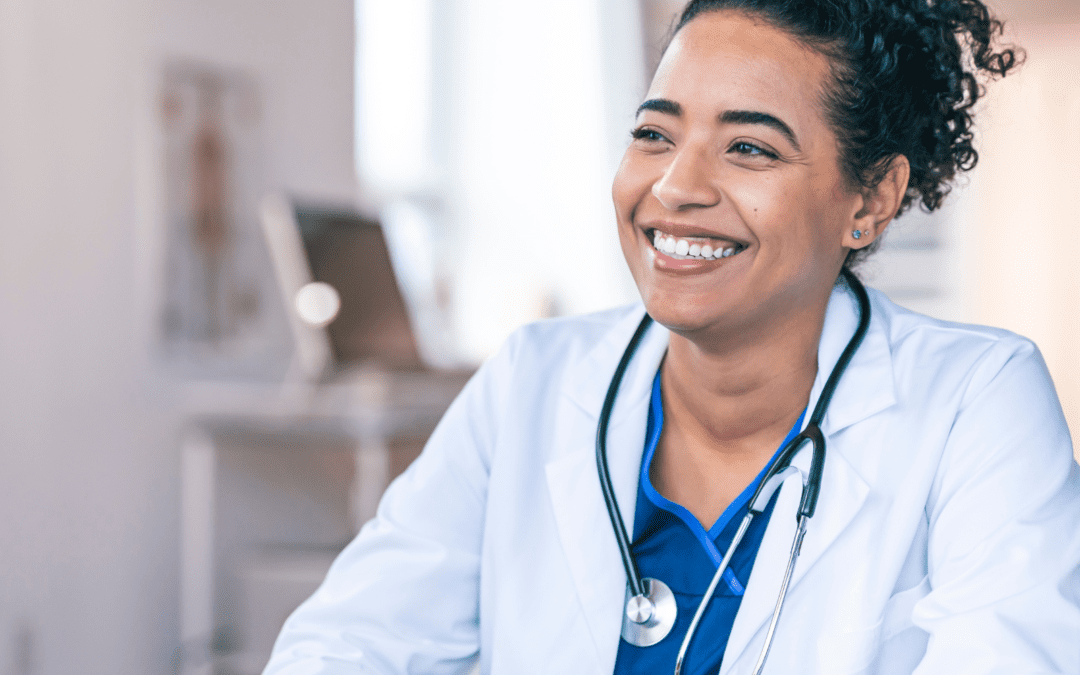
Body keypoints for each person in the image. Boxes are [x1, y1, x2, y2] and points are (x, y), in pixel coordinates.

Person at [264, 1, 1080, 673]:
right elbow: (344, 647)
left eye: (749, 148)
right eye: (655, 134)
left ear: (869, 198)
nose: (675, 186)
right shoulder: (532, 381)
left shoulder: (979, 399)